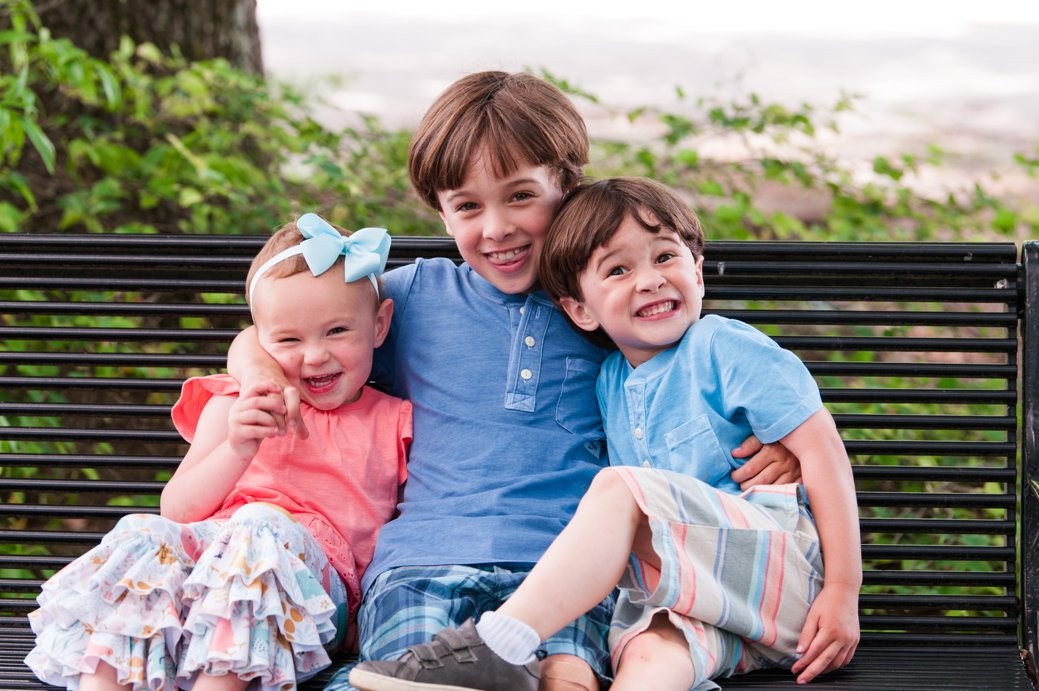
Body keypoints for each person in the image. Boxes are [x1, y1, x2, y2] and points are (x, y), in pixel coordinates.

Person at [227, 72, 801, 691]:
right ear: (441, 212)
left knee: (567, 673)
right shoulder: (412, 297)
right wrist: (259, 369)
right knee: (407, 679)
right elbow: (275, 332)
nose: (495, 228)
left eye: (520, 196)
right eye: (468, 206)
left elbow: (703, 384)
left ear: (568, 184)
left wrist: (776, 443)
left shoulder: (610, 302)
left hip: (565, 569)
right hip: (422, 560)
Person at [348, 177, 861, 691]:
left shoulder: (721, 346)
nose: (650, 280)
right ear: (579, 310)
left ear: (698, 271)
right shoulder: (610, 380)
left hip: (780, 578)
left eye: (665, 258)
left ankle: (499, 644)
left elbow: (825, 453)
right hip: (702, 601)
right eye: (619, 270)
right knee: (648, 651)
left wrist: (842, 589)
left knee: (620, 487)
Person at [25, 214, 412, 691]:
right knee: (150, 535)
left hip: (306, 608)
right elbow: (178, 510)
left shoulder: (394, 420)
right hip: (205, 589)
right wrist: (237, 447)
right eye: (289, 339)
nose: (314, 356)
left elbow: (410, 530)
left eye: (337, 332)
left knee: (260, 525)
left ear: (379, 325)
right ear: (260, 341)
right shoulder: (235, 404)